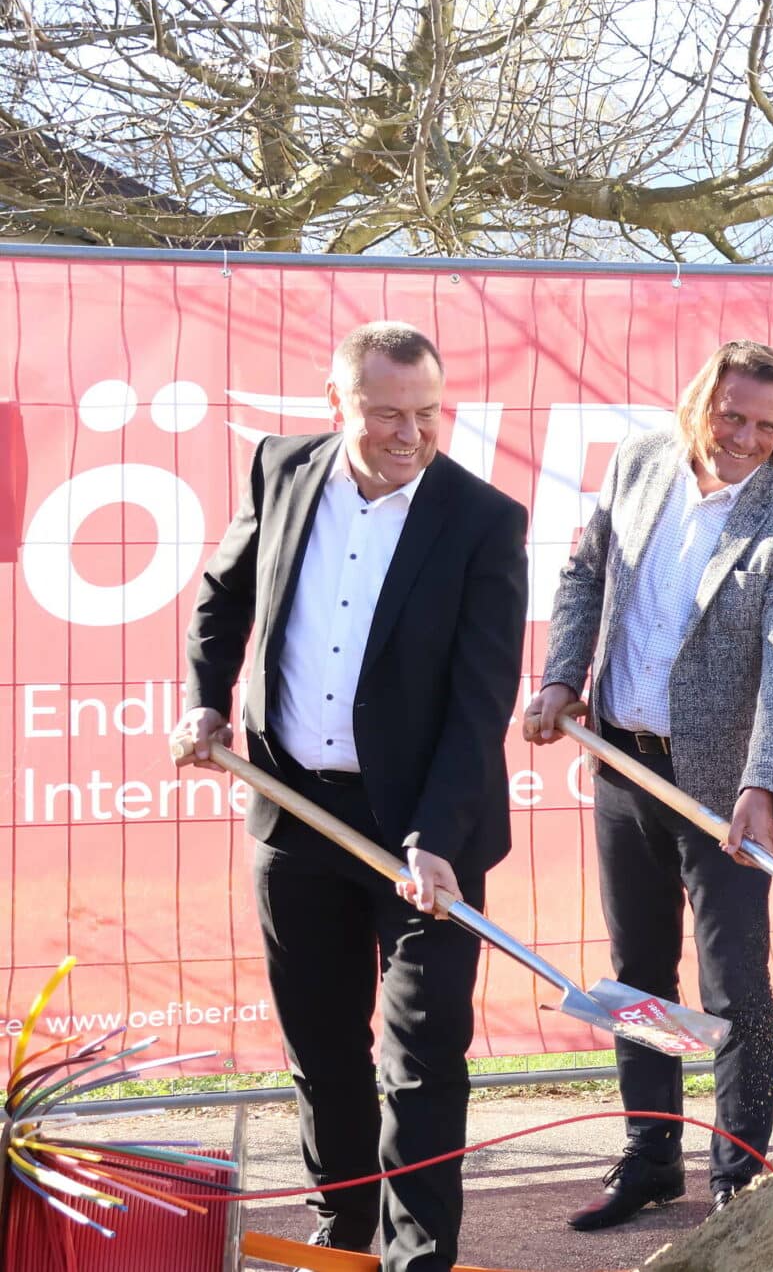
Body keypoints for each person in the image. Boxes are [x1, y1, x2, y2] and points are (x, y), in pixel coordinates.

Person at [172, 322, 528, 1270]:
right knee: (322, 1047)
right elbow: (222, 597)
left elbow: (481, 700)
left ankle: (419, 1258)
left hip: (425, 831)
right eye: (386, 414)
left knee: (421, 1059)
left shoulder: (484, 520)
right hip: (292, 809)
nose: (410, 434)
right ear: (336, 404)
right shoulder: (280, 470)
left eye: (427, 413)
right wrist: (208, 701)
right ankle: (342, 1232)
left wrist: (436, 836)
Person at [524, 339, 773, 1228]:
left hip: (721, 790)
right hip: (622, 764)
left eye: (768, 427)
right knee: (639, 976)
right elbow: (585, 574)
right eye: (732, 416)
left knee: (734, 987)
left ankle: (740, 1177)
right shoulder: (637, 464)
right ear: (699, 402)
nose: (745, 439)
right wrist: (562, 676)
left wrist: (763, 786)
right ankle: (651, 1159)